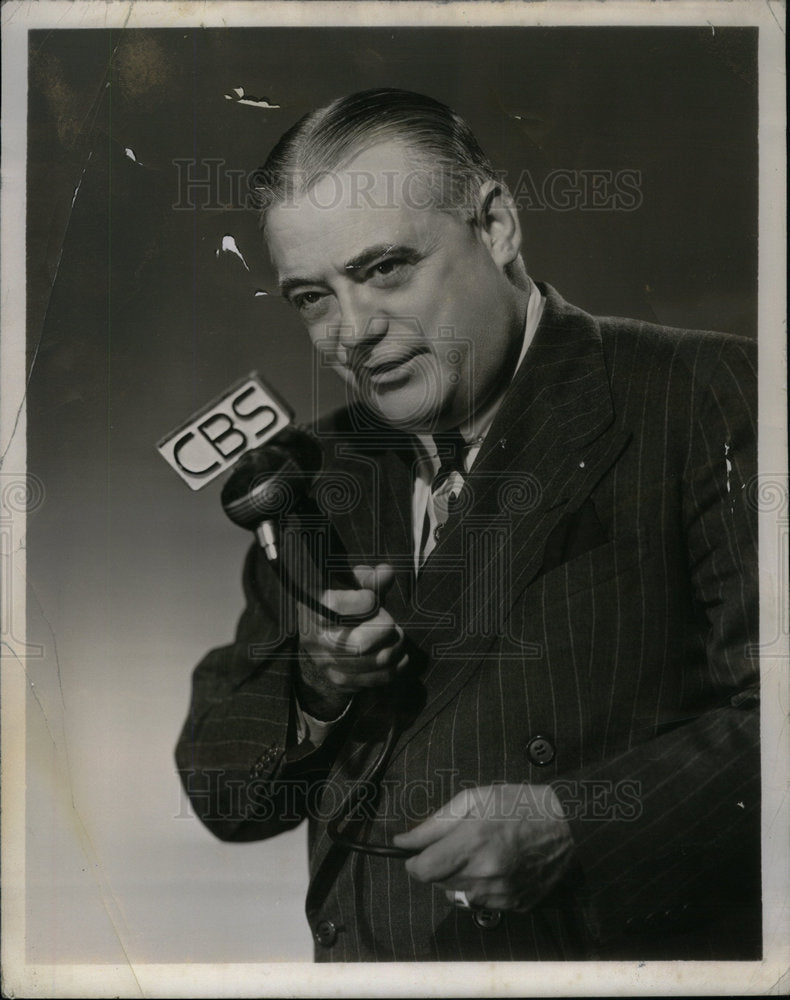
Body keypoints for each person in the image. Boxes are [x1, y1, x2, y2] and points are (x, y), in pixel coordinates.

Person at [175, 88, 760, 962]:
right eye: (311, 297)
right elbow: (225, 795)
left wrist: (577, 826)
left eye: (384, 270)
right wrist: (317, 690)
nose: (354, 332)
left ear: (495, 226)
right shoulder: (319, 473)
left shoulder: (709, 399)